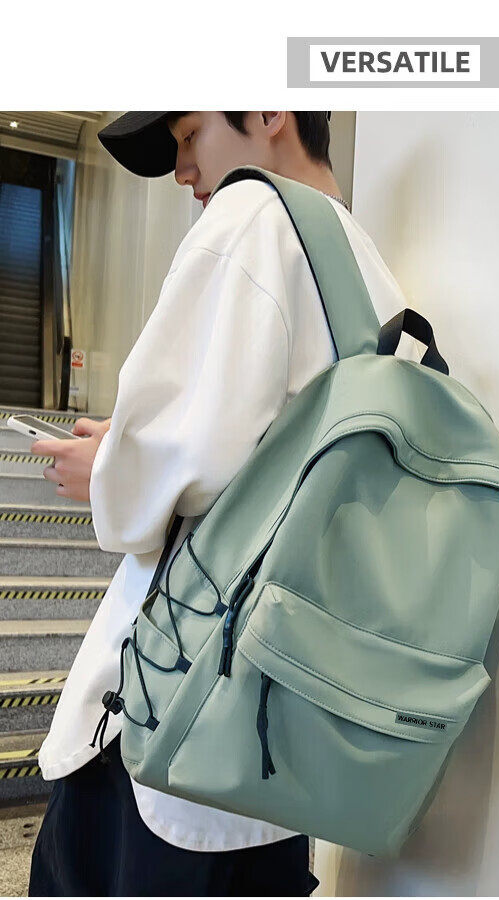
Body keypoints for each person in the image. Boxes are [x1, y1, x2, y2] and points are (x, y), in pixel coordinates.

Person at [27, 110, 422, 896]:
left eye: (187, 136)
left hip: (165, 729)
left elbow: (164, 479)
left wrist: (107, 467)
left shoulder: (250, 215)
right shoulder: (367, 268)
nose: (182, 171)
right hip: (276, 757)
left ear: (271, 110)